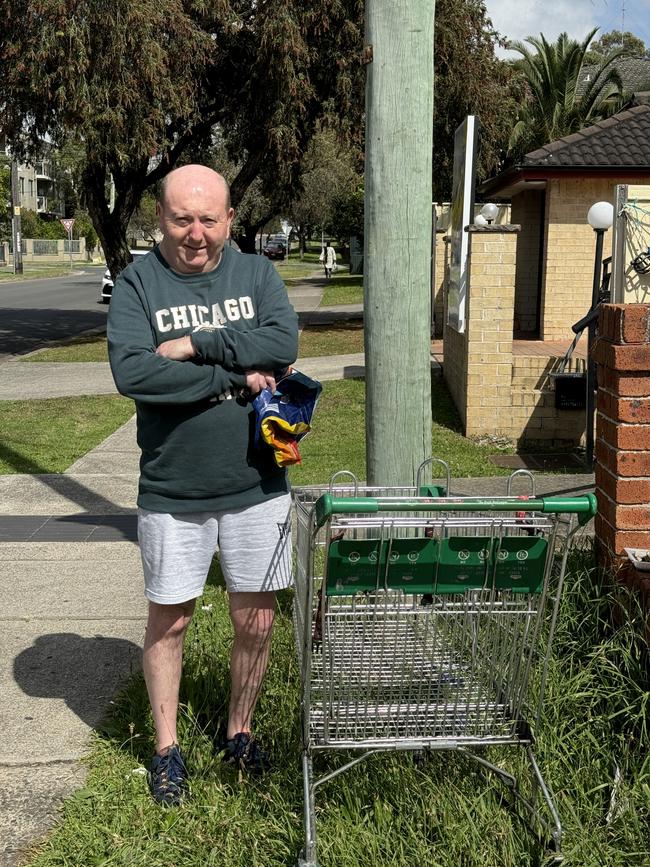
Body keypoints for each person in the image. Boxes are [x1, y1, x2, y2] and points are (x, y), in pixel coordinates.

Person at [107, 164, 299, 807]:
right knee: (171, 619)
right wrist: (234, 377)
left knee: (256, 616)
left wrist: (195, 345)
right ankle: (166, 749)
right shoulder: (138, 282)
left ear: (229, 221)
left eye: (208, 220)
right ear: (158, 217)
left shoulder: (255, 272)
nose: (196, 234)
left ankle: (238, 730)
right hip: (174, 488)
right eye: (181, 219)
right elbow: (135, 375)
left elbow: (285, 340)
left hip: (258, 483)